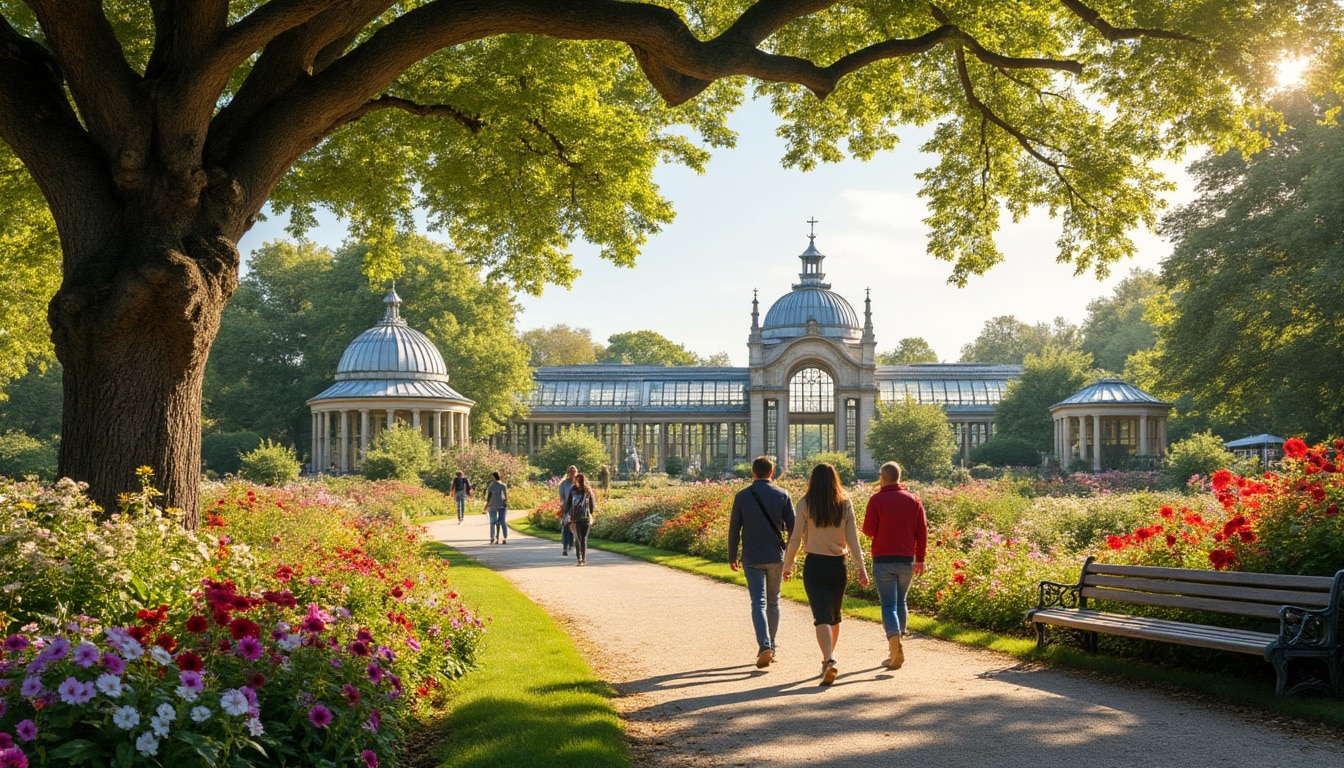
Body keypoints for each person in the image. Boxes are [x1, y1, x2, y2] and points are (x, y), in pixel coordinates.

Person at [783, 462, 869, 685]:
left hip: (815, 564)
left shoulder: (805, 504)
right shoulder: (844, 503)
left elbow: (794, 538)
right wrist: (861, 567)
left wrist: (788, 564)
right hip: (838, 564)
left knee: (820, 616)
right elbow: (853, 539)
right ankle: (828, 658)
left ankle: (828, 659)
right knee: (834, 615)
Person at [727, 455, 795, 669]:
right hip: (776, 557)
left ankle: (764, 645)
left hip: (752, 557)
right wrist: (791, 557)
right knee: (774, 602)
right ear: (772, 473)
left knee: (758, 603)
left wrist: (731, 556)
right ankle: (772, 646)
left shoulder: (742, 496)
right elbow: (794, 528)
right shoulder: (783, 495)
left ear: (752, 473)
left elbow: (734, 530)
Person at [861, 461, 927, 671]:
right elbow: (922, 531)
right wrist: (921, 558)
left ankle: (893, 645)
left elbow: (869, 530)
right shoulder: (913, 500)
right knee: (901, 601)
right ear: (899, 477)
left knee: (888, 604)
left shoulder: (877, 500)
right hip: (907, 558)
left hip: (883, 558)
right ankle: (898, 641)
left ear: (882, 477)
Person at [566, 472, 597, 565]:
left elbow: (568, 505)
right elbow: (592, 504)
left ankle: (581, 558)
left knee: (580, 538)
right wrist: (590, 513)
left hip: (579, 518)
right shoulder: (586, 490)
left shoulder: (575, 490)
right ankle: (581, 558)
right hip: (581, 517)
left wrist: (568, 515)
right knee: (581, 539)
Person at [558, 465, 577, 556]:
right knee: (566, 528)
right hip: (566, 508)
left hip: (575, 509)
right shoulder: (564, 484)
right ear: (568, 473)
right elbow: (561, 497)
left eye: (574, 471)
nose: (572, 473)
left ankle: (571, 544)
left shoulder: (578, 484)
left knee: (573, 528)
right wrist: (562, 505)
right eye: (571, 471)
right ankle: (565, 547)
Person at [485, 471, 508, 544]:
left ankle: (492, 537)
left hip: (492, 505)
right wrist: (505, 502)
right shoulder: (503, 485)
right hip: (502, 505)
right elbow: (505, 497)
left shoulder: (491, 485)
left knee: (492, 522)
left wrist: (487, 505)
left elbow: (489, 496)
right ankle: (504, 537)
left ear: (493, 477)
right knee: (502, 522)